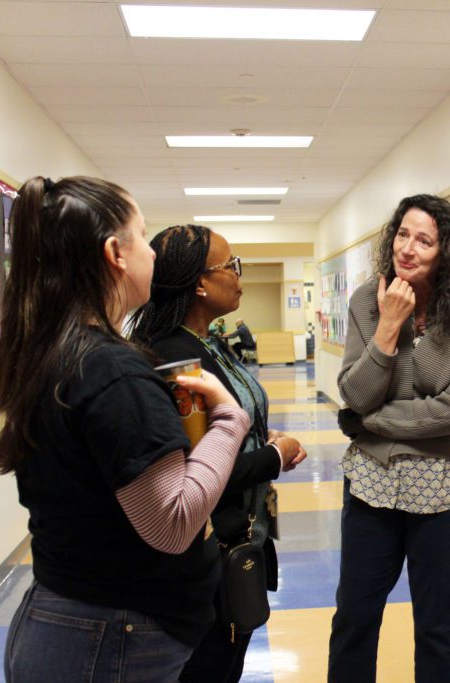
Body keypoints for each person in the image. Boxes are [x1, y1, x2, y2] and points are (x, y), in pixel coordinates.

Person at [0, 177, 250, 682]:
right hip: (108, 637)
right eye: (143, 235)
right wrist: (228, 420)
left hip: (74, 617)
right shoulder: (112, 371)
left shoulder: (53, 352)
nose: (153, 255)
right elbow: (171, 524)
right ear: (116, 253)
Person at [130, 224, 307, 683]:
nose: (238, 275)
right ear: (201, 284)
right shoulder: (176, 360)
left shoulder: (208, 344)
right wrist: (273, 456)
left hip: (243, 533)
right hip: (210, 548)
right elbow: (195, 470)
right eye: (231, 266)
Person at [328, 194, 450, 683]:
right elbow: (355, 392)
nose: (409, 248)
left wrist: (370, 422)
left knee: (439, 629)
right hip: (373, 484)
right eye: (403, 234)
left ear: (447, 252)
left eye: (425, 240)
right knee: (355, 618)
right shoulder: (364, 301)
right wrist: (390, 326)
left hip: (446, 490)